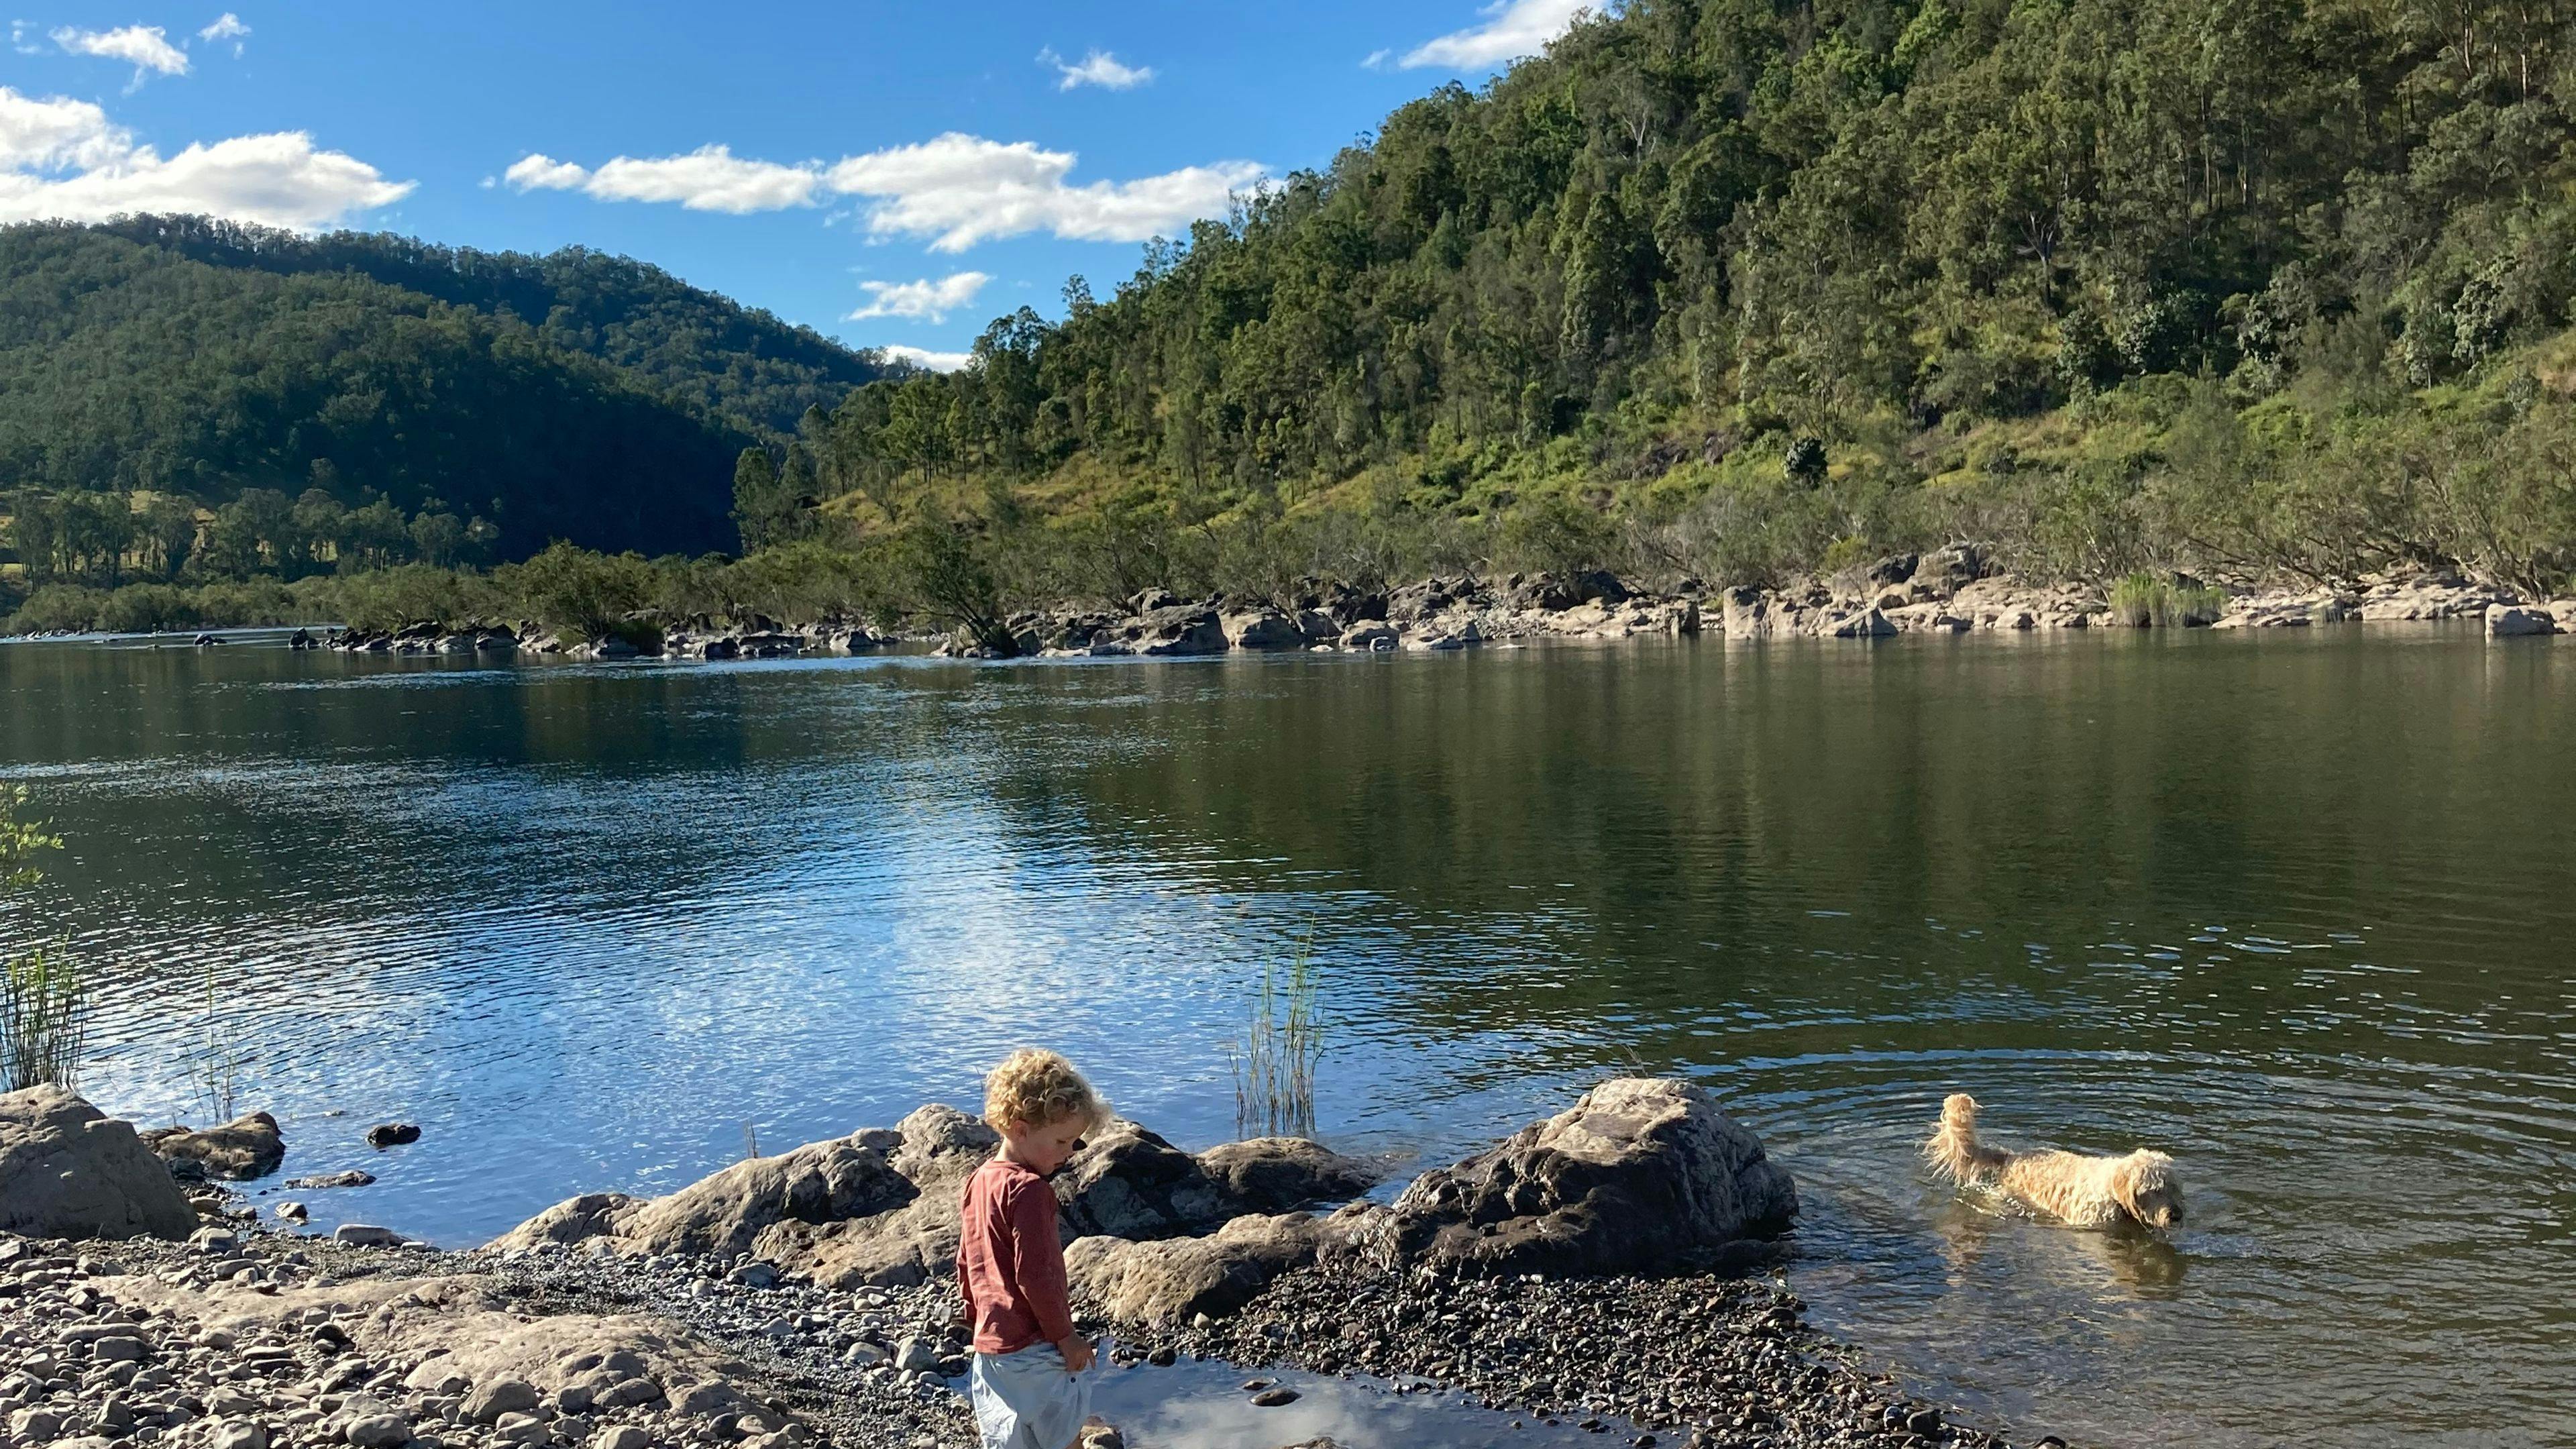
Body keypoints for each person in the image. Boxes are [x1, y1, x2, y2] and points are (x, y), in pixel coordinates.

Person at [958, 1049, 1111, 1449]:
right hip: (1034, 1345)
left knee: (1013, 1438)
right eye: (1061, 1141)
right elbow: (1036, 1276)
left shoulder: (979, 1180)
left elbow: (968, 1260)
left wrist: (974, 1316)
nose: (1068, 1153)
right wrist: (1066, 1338)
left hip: (991, 1349)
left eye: (1075, 1143)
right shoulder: (1030, 1191)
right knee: (1063, 1434)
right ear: (1020, 1129)